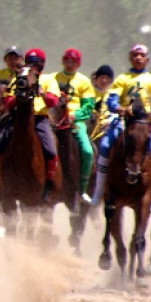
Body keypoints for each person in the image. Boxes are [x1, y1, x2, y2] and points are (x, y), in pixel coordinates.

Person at [84, 44, 151, 213]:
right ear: (130, 58)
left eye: (142, 55)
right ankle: (99, 191)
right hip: (125, 120)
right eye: (135, 55)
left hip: (146, 122)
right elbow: (112, 99)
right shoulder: (123, 78)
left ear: (147, 59)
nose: (138, 58)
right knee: (106, 147)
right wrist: (119, 108)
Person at [8, 48, 61, 200]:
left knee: (50, 149)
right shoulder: (18, 78)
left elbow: (54, 102)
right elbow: (7, 100)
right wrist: (17, 96)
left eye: (36, 62)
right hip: (19, 119)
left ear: (42, 64)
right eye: (29, 62)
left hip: (40, 119)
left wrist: (42, 92)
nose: (32, 65)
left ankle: (50, 181)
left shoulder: (49, 80)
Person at [53, 48, 96, 203]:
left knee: (87, 151)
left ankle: (83, 189)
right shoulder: (53, 78)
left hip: (75, 123)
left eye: (73, 61)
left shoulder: (84, 82)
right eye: (67, 60)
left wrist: (74, 116)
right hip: (54, 121)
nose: (70, 64)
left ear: (78, 64)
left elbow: (88, 106)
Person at [90, 64, 115, 142]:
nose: (104, 80)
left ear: (111, 81)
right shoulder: (89, 93)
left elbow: (118, 112)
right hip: (91, 125)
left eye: (107, 78)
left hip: (106, 128)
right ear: (96, 79)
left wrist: (110, 120)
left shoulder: (113, 95)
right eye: (101, 78)